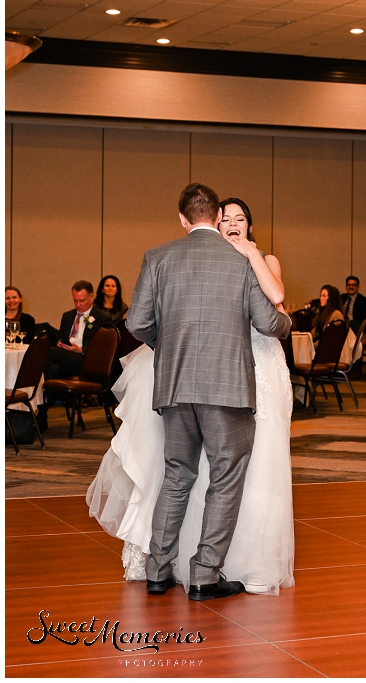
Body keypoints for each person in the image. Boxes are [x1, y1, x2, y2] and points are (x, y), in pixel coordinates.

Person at [103, 184, 292, 602]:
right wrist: (286, 325)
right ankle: (205, 574)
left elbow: (135, 324)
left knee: (177, 475)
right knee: (225, 478)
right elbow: (267, 322)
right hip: (227, 388)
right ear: (216, 215)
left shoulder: (158, 257)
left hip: (174, 385)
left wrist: (168, 346)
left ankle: (157, 570)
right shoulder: (240, 258)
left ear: (184, 219)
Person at [44, 280, 112, 381]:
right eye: (75, 301)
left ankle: (30, 386)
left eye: (82, 301)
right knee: (53, 369)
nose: (78, 304)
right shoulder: (67, 316)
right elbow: (59, 337)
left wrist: (81, 350)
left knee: (50, 352)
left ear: (91, 297)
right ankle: (53, 397)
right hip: (66, 357)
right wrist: (59, 343)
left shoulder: (102, 318)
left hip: (86, 359)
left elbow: (103, 347)